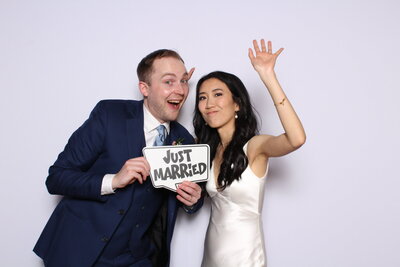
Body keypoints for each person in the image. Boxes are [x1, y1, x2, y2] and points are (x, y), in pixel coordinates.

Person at [34, 49, 203, 267]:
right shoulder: (109, 114)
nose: (180, 90)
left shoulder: (184, 140)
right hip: (77, 251)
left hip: (136, 258)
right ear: (145, 88)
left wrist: (193, 201)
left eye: (184, 81)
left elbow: (190, 200)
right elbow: (56, 178)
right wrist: (113, 181)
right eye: (169, 82)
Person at [193, 39, 306, 267]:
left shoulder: (255, 146)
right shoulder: (205, 150)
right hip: (212, 255)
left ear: (237, 104)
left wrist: (268, 76)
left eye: (217, 95)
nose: (208, 103)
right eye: (202, 97)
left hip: (245, 257)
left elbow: (296, 139)